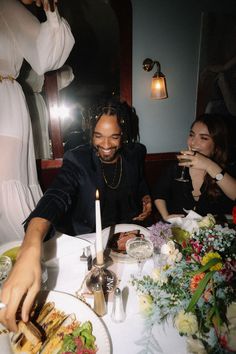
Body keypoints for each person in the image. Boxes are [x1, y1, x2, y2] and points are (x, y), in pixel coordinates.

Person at [0, 101, 152, 331]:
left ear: (125, 136)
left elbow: (140, 181)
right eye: (98, 136)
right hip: (88, 244)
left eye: (114, 137)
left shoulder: (135, 153)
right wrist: (31, 243)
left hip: (125, 243)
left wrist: (146, 197)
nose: (106, 145)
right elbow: (56, 195)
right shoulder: (78, 159)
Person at [0, 0, 74, 245]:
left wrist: (50, 10)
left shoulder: (6, 6)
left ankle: (37, 253)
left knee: (7, 190)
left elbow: (45, 57)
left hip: (4, 104)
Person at [153, 114, 236, 221]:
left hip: (211, 234)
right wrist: (165, 215)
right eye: (192, 135)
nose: (192, 142)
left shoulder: (225, 170)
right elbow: (159, 193)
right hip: (178, 232)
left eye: (204, 138)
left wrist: (208, 165)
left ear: (217, 144)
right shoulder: (176, 167)